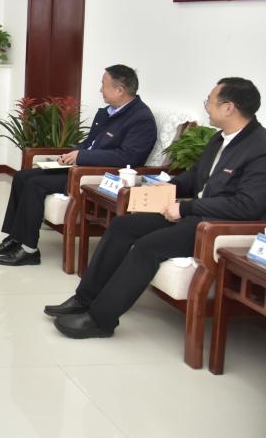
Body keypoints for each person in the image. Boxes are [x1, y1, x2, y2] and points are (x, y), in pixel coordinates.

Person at [45, 77, 266, 338]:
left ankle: (100, 320)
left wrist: (186, 209)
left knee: (147, 246)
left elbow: (248, 206)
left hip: (214, 226)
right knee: (122, 226)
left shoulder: (259, 147)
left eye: (210, 101)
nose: (206, 106)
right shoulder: (220, 139)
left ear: (228, 108)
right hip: (194, 213)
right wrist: (167, 187)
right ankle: (84, 299)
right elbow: (195, 176)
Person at [0, 64, 157, 266]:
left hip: (97, 176)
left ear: (120, 90)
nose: (100, 89)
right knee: (23, 176)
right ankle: (15, 238)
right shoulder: (107, 112)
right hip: (81, 167)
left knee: (35, 184)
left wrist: (82, 157)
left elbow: (127, 158)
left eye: (103, 84)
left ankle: (29, 250)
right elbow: (90, 143)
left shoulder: (141, 119)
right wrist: (71, 154)